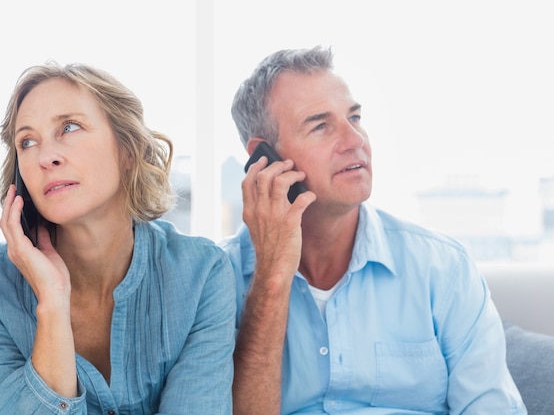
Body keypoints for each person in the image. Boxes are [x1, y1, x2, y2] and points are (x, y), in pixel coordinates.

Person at [220, 46, 526, 414]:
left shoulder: (443, 269)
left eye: (355, 118)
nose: (355, 141)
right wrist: (270, 277)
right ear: (264, 157)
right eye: (320, 126)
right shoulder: (218, 280)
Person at [0, 62, 236, 415]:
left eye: (69, 127)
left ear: (128, 151)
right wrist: (53, 306)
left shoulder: (202, 275)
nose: (45, 156)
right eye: (27, 141)